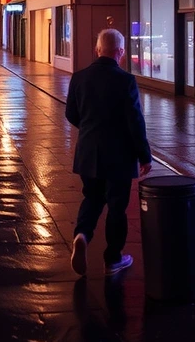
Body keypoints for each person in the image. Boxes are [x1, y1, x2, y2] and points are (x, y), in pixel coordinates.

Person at [65, 28, 152, 276]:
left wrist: (90, 129)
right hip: (118, 156)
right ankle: (113, 258)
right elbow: (135, 121)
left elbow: (71, 113)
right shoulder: (125, 81)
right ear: (120, 52)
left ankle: (82, 235)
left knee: (92, 198)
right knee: (116, 207)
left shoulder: (79, 77)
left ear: (97, 50)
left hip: (88, 153)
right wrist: (144, 155)